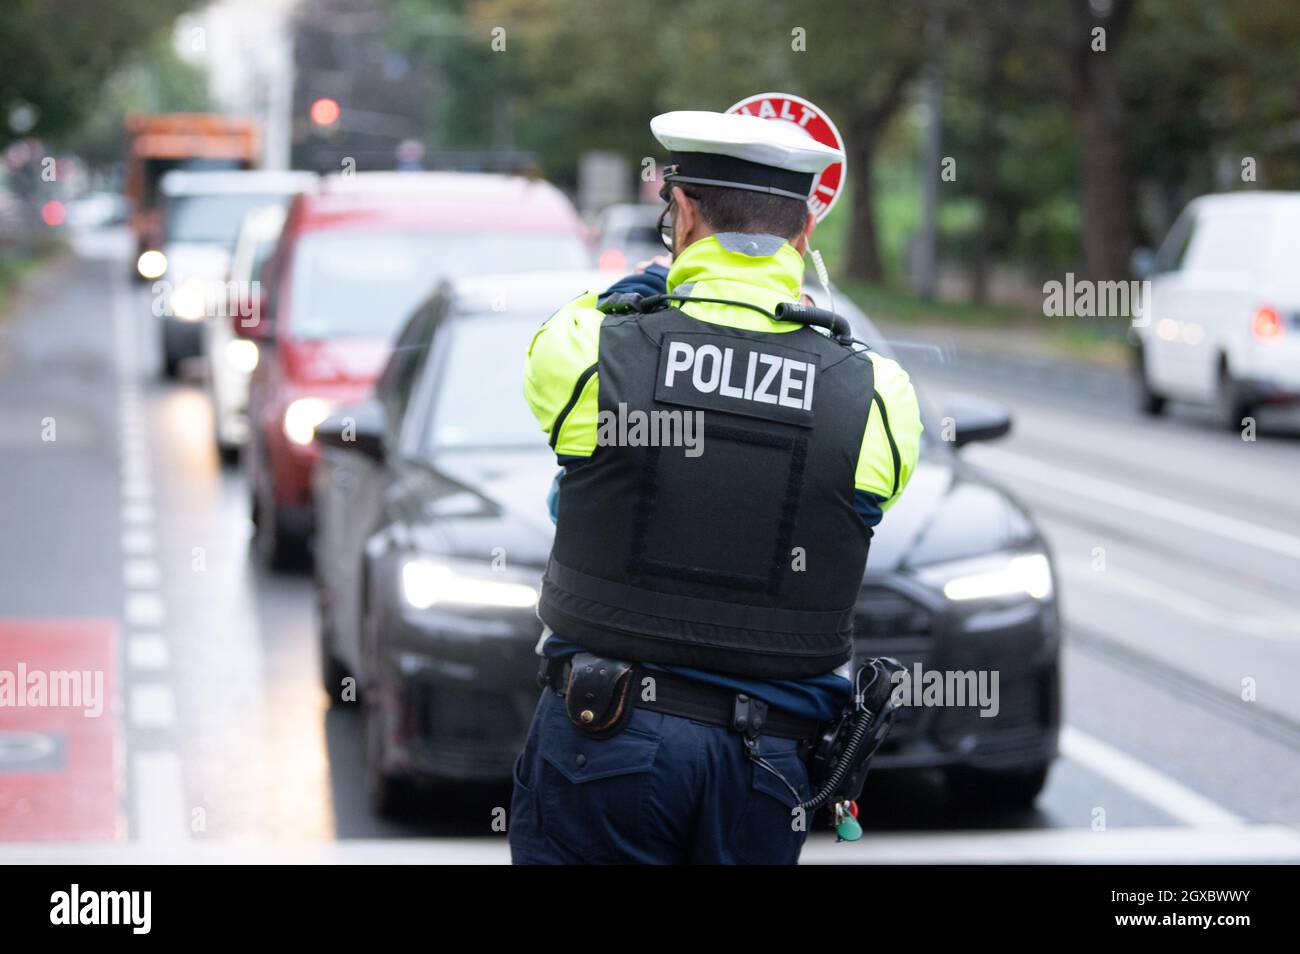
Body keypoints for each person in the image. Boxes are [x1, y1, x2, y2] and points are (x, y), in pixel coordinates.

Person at [509, 109, 923, 864]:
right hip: (767, 775)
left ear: (685, 213)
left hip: (605, 746)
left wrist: (647, 287)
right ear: (804, 236)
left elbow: (550, 350)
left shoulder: (598, 351)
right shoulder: (878, 396)